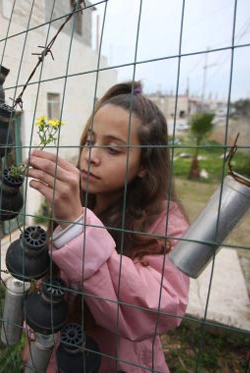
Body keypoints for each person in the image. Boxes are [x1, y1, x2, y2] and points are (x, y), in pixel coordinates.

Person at [25, 81, 190, 372]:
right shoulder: (83, 201)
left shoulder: (166, 223)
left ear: (144, 165)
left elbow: (160, 309)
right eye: (89, 141)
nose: (91, 156)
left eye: (113, 149)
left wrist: (77, 228)